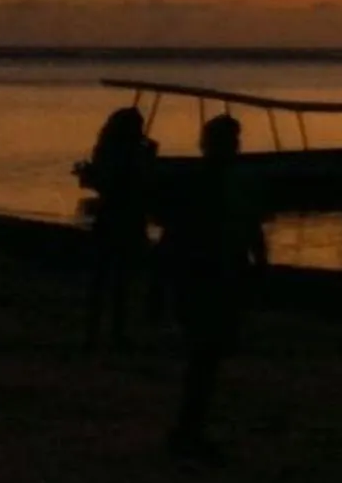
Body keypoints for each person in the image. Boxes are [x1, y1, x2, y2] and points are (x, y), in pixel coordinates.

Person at [155, 114, 264, 460]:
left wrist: (258, 264)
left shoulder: (227, 182)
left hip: (222, 276)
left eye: (235, 142)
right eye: (230, 142)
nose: (235, 148)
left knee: (207, 358)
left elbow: (250, 227)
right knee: (204, 357)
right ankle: (188, 431)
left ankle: (190, 428)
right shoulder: (203, 184)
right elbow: (176, 235)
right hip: (206, 278)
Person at [76, 106, 157, 347]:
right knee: (119, 279)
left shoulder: (106, 150)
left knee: (103, 278)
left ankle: (95, 331)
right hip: (126, 217)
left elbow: (104, 181)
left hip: (109, 216)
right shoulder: (132, 153)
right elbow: (142, 182)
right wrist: (149, 156)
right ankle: (114, 332)